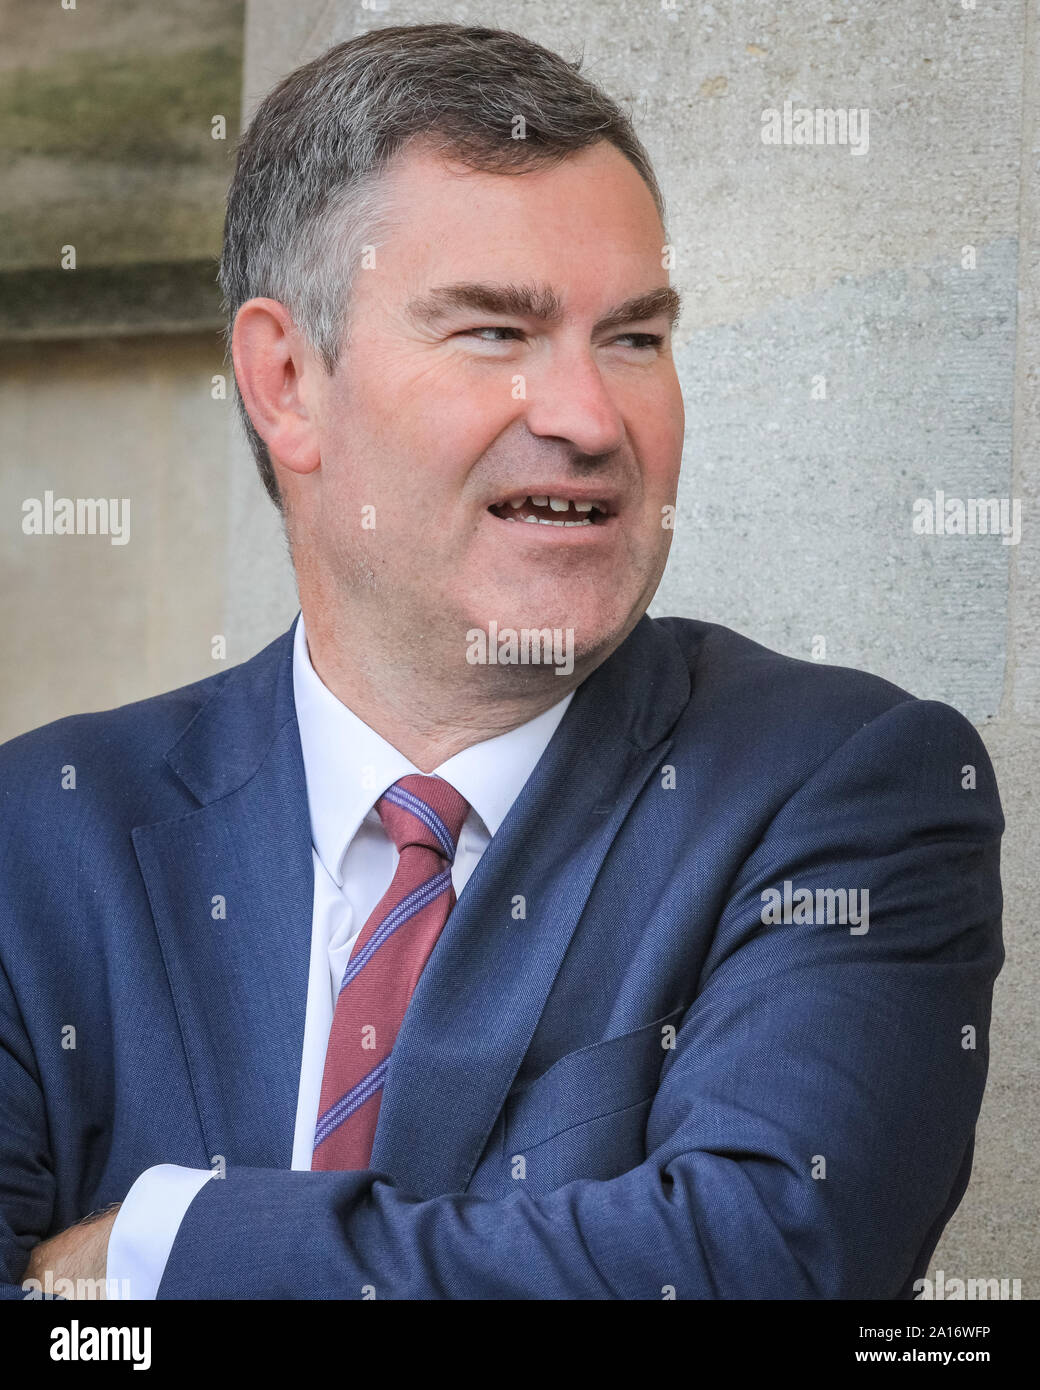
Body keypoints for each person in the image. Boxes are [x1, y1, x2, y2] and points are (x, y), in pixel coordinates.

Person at [2, 23, 1003, 1300]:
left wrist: (157, 1258)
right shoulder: (38, 836)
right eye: (494, 332)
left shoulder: (841, 789)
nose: (590, 418)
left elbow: (754, 1265)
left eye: (634, 337)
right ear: (287, 380)